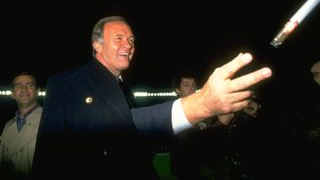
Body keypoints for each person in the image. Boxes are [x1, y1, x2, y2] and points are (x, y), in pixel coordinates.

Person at [31, 15, 272, 179]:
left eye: (132, 40)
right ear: (97, 45)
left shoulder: (123, 88)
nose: (129, 44)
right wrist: (200, 104)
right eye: (119, 38)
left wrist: (219, 124)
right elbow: (111, 127)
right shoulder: (67, 82)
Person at [170, 70, 261, 180]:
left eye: (194, 84)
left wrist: (244, 116)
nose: (192, 88)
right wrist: (221, 124)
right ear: (177, 90)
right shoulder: (174, 113)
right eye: (186, 85)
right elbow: (191, 143)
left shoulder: (202, 109)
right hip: (188, 169)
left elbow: (223, 140)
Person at [0, 72, 43, 179]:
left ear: (37, 91)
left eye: (30, 85)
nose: (24, 89)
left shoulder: (50, 121)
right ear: (13, 94)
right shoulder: (8, 126)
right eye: (18, 86)